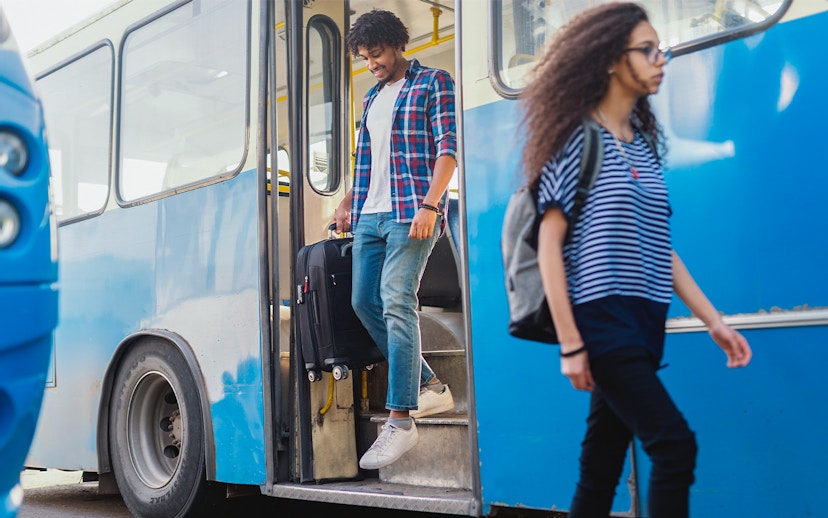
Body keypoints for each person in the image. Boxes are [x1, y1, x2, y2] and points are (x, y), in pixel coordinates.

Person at [521, 3, 753, 517]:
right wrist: (572, 343)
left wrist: (713, 321)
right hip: (601, 321)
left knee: (601, 467)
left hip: (645, 321)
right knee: (674, 445)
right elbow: (551, 250)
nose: (661, 59)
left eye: (660, 49)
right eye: (647, 50)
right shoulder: (576, 140)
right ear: (609, 59)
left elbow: (660, 249)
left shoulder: (642, 147)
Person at [331, 8, 456, 471]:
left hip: (411, 213)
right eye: (364, 58)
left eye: (377, 54)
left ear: (398, 44)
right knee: (364, 301)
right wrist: (347, 201)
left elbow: (449, 148)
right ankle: (430, 387)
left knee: (395, 298)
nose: (372, 64)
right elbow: (370, 159)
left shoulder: (433, 83)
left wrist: (431, 204)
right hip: (370, 214)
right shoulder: (370, 98)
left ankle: (401, 420)